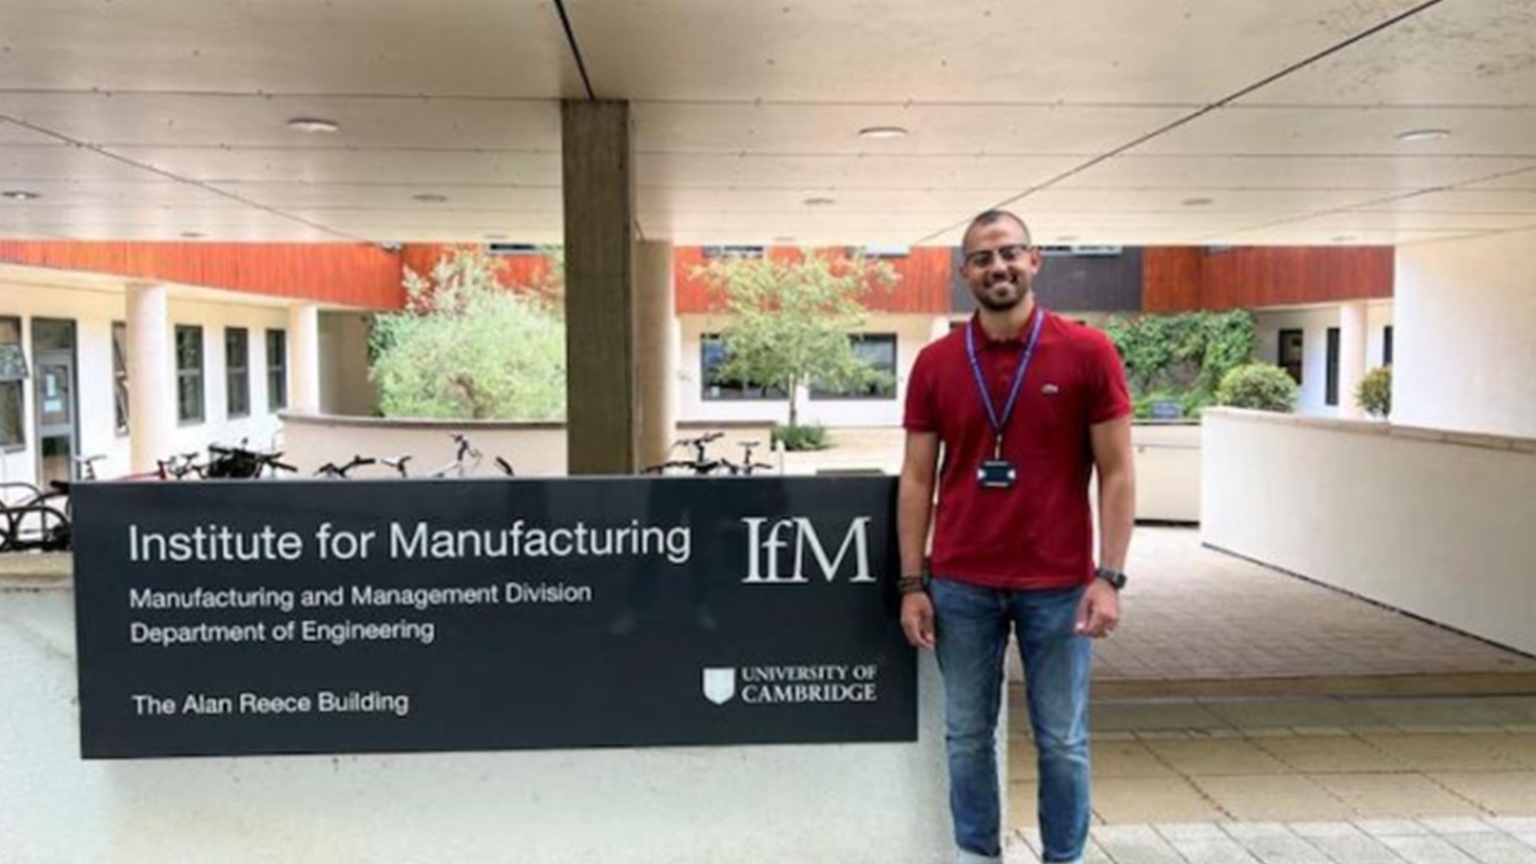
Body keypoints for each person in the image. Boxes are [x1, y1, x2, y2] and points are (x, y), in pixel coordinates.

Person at [898, 210, 1135, 864]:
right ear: (964, 272)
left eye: (1008, 253)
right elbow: (917, 480)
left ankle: (1065, 858)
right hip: (961, 583)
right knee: (966, 736)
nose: (996, 267)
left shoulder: (1088, 352)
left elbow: (1117, 472)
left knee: (1062, 740)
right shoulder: (937, 362)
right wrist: (912, 582)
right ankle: (978, 856)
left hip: (1059, 586)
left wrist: (1108, 576)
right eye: (981, 258)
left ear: (1035, 261)